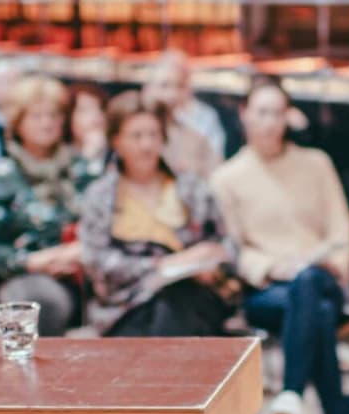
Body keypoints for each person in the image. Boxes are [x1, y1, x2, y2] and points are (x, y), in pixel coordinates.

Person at [211, 76, 349, 414]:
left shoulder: (316, 163)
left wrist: (330, 263)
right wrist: (269, 267)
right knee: (309, 301)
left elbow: (340, 232)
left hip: (323, 276)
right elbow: (235, 248)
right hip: (268, 289)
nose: (269, 122)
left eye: (277, 113)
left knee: (311, 287)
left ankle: (293, 394)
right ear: (244, 115)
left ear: (288, 118)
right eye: (261, 112)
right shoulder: (227, 178)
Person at [77, 92, 234, 338]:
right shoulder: (101, 196)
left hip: (192, 296)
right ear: (116, 140)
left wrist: (210, 262)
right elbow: (96, 260)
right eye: (136, 136)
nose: (146, 145)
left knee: (176, 300)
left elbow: (225, 242)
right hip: (126, 304)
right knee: (158, 313)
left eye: (153, 135)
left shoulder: (190, 187)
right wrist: (160, 267)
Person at [0, 76, 100, 337]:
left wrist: (80, 251)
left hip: (87, 268)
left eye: (53, 115)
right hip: (28, 275)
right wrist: (37, 261)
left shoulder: (80, 169)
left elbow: (106, 221)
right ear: (18, 123)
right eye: (37, 116)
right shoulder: (4, 177)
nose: (47, 123)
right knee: (45, 302)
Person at [143, 49, 224, 178]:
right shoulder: (134, 123)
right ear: (148, 89)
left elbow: (215, 170)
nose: (172, 94)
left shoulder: (197, 128)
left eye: (179, 85)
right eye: (164, 85)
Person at [68, 81, 109, 169]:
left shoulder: (117, 155)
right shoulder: (60, 155)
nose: (96, 117)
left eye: (100, 108)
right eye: (85, 110)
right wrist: (87, 157)